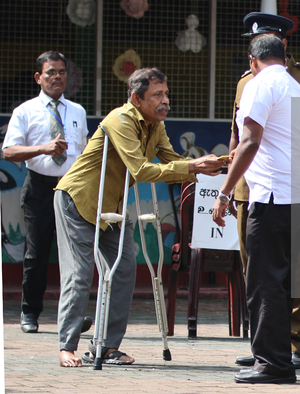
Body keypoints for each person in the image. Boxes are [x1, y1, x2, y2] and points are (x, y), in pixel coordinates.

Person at [54, 68, 223, 367]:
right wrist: (193, 167)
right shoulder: (120, 120)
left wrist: (208, 165)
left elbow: (173, 160)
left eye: (166, 94)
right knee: (79, 275)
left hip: (114, 206)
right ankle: (66, 346)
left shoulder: (155, 125)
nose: (165, 101)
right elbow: (141, 170)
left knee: (124, 271)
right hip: (79, 201)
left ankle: (106, 346)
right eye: (157, 95)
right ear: (136, 98)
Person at [231, 12, 300, 369]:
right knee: (258, 272)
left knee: (283, 273)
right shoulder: (253, 82)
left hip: (280, 189)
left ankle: (290, 347)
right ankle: (267, 344)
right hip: (257, 186)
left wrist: (223, 189)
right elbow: (239, 137)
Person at [212, 34, 300, 384]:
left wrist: (225, 192)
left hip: (274, 195)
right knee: (281, 279)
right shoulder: (297, 87)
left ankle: (272, 363)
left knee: (263, 280)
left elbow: (250, 140)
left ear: (252, 60)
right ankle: (275, 356)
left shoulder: (258, 85)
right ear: (283, 57)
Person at [2, 51, 91, 334]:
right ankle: (30, 313)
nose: (57, 77)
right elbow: (8, 151)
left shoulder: (77, 111)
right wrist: (43, 148)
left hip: (71, 188)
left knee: (76, 254)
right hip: (39, 185)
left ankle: (74, 316)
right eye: (51, 72)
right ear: (38, 77)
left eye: (62, 72)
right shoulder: (25, 111)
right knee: (37, 253)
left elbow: (85, 149)